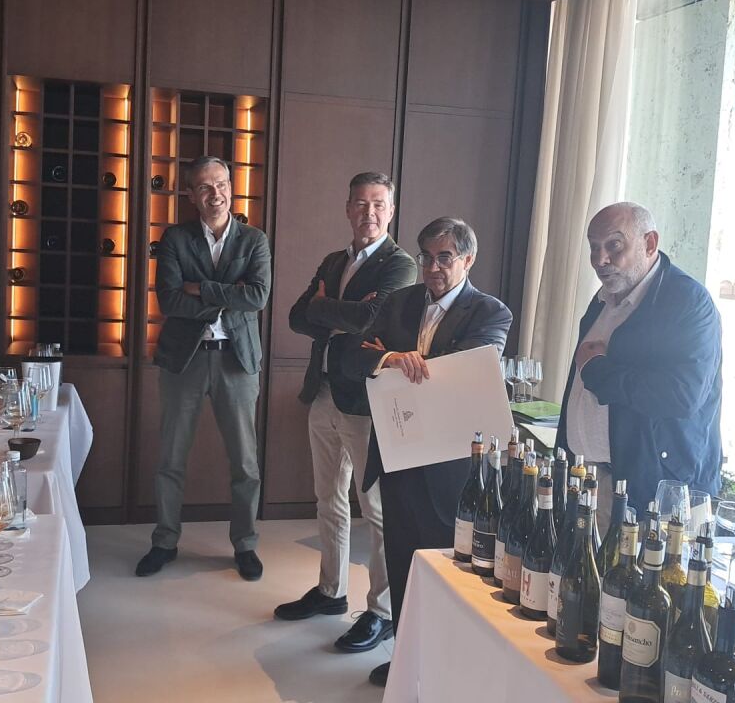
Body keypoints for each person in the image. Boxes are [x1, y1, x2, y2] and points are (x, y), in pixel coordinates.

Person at [339, 217, 512, 686]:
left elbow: (462, 374)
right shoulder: (400, 301)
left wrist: (408, 365)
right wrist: (389, 357)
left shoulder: (490, 312)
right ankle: (407, 661)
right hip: (397, 455)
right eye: (427, 257)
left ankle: (444, 670)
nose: (433, 267)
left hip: (450, 467)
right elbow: (351, 355)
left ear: (468, 260)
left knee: (446, 567)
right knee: (402, 561)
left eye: (445, 257)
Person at [278, 172, 417, 652]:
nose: (368, 213)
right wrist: (342, 313)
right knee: (328, 499)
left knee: (375, 510)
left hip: (365, 399)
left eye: (378, 204)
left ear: (391, 211)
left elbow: (371, 321)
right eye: (360, 203)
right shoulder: (334, 260)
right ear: (347, 209)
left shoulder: (400, 265)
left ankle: (382, 612)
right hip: (322, 391)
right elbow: (297, 316)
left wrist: (327, 308)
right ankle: (330, 591)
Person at [136, 156, 272, 581]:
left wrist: (202, 289)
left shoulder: (254, 240)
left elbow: (257, 297)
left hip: (237, 360)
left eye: (222, 184)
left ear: (232, 186)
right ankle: (164, 541)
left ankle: (245, 544)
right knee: (171, 458)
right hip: (185, 360)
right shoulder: (175, 238)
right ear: (192, 195)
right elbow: (170, 300)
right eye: (205, 187)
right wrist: (229, 295)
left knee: (245, 463)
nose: (217, 194)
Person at [555, 201, 723, 526]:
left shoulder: (689, 302)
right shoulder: (603, 300)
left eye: (614, 245)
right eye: (594, 247)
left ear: (650, 243)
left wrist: (597, 371)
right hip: (591, 480)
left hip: (657, 495)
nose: (600, 259)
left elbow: (683, 395)